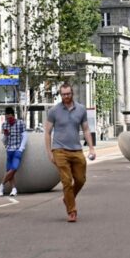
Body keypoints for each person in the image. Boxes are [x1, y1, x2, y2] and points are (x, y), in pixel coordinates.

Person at [46, 83, 96, 223]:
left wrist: (91, 148)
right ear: (60, 95)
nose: (66, 97)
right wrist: (49, 152)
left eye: (68, 94)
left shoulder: (80, 109)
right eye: (63, 94)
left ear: (72, 93)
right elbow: (47, 132)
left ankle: (68, 198)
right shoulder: (54, 111)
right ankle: (72, 211)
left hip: (76, 149)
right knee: (66, 181)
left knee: (81, 179)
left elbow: (86, 129)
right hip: (59, 150)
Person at [0, 107, 27, 197]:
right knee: (9, 170)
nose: (8, 119)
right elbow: (5, 139)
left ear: (13, 115)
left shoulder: (20, 123)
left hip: (17, 149)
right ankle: (13, 189)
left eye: (9, 117)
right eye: (7, 117)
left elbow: (25, 136)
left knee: (14, 168)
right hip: (9, 149)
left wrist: (21, 148)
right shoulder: (5, 125)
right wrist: (4, 137)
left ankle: (1, 185)